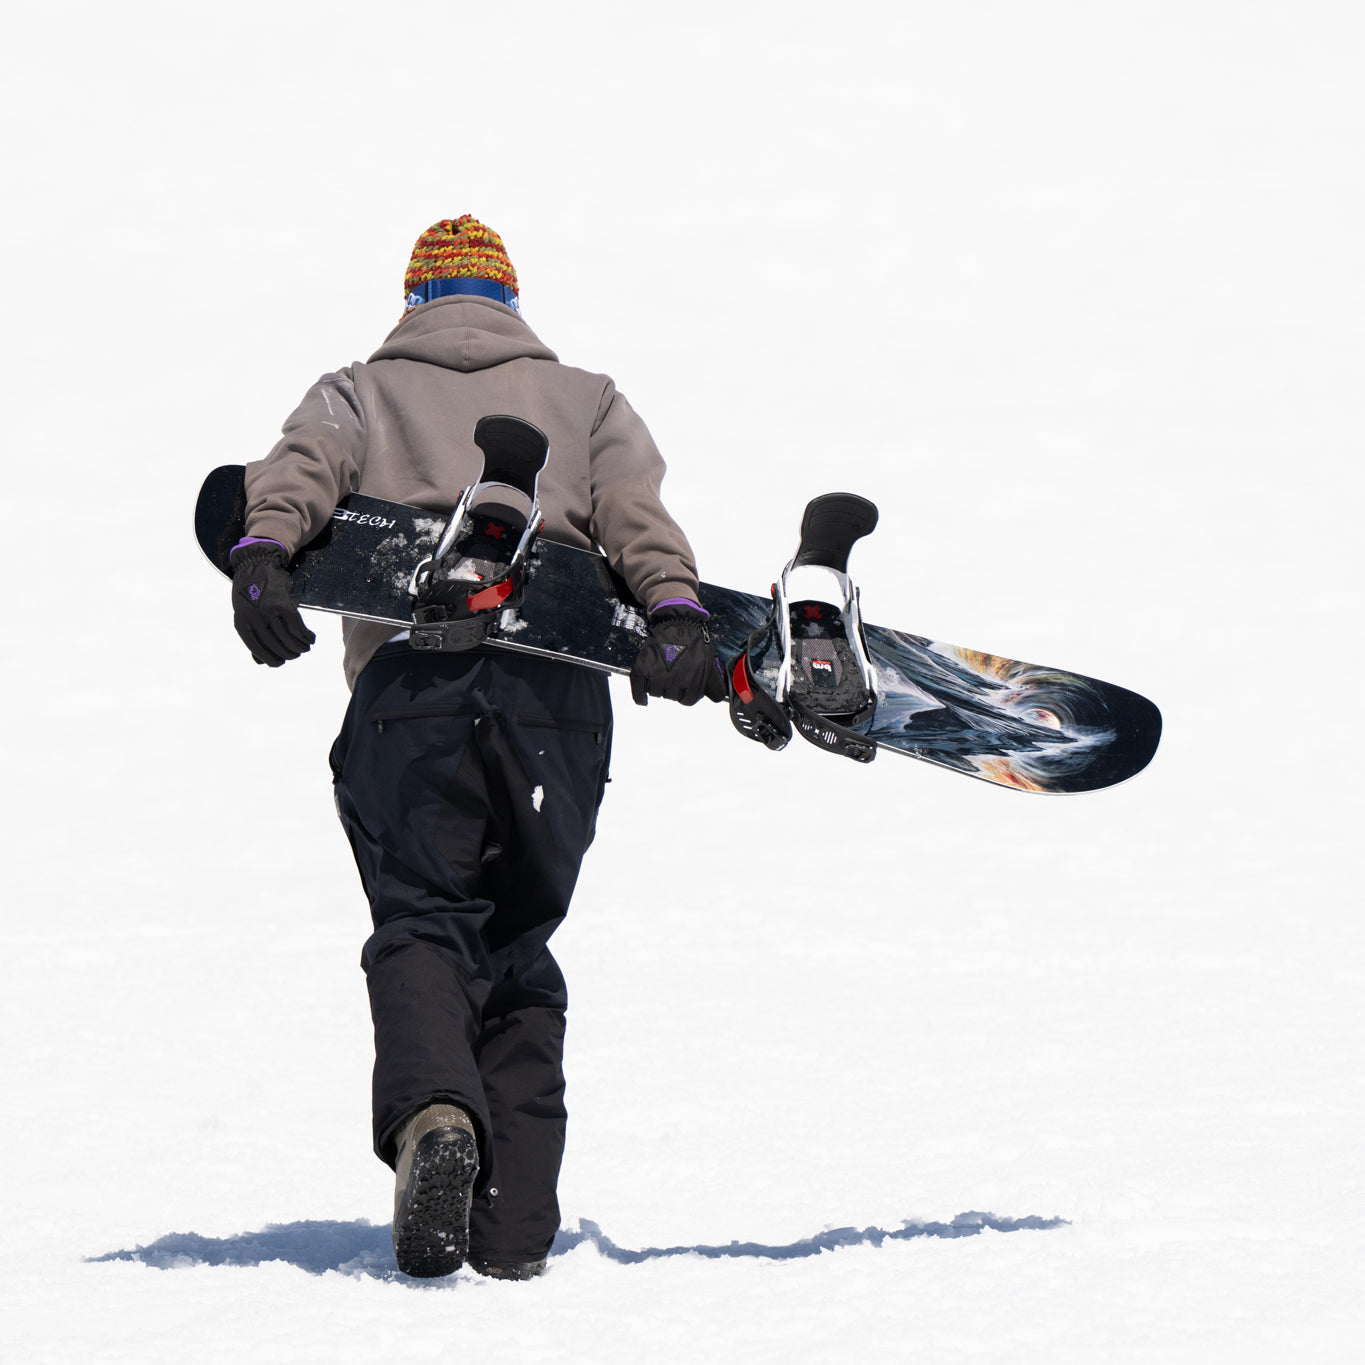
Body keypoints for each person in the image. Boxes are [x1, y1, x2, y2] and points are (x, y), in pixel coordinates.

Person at [227, 215, 727, 1279]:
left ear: (414, 301)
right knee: (517, 940)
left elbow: (300, 472)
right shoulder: (588, 397)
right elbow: (638, 518)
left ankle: (435, 1119)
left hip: (414, 690)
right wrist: (675, 611)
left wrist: (267, 551)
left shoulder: (357, 390)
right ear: (511, 302)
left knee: (424, 920)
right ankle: (511, 1236)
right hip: (556, 703)